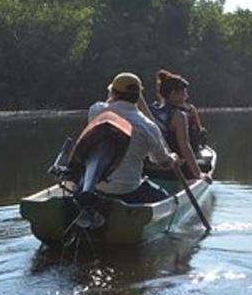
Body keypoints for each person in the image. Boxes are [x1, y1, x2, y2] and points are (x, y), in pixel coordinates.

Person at [86, 72, 176, 203]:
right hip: (129, 190)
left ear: (113, 93)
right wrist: (172, 158)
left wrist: (114, 95)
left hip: (98, 187)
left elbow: (107, 103)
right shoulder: (148, 126)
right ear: (138, 96)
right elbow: (162, 162)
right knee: (168, 200)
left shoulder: (96, 111)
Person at [150, 69, 205, 181]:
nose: (186, 96)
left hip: (152, 167)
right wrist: (199, 174)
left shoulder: (150, 111)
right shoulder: (179, 116)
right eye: (184, 93)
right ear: (173, 94)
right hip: (175, 169)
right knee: (205, 164)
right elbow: (185, 147)